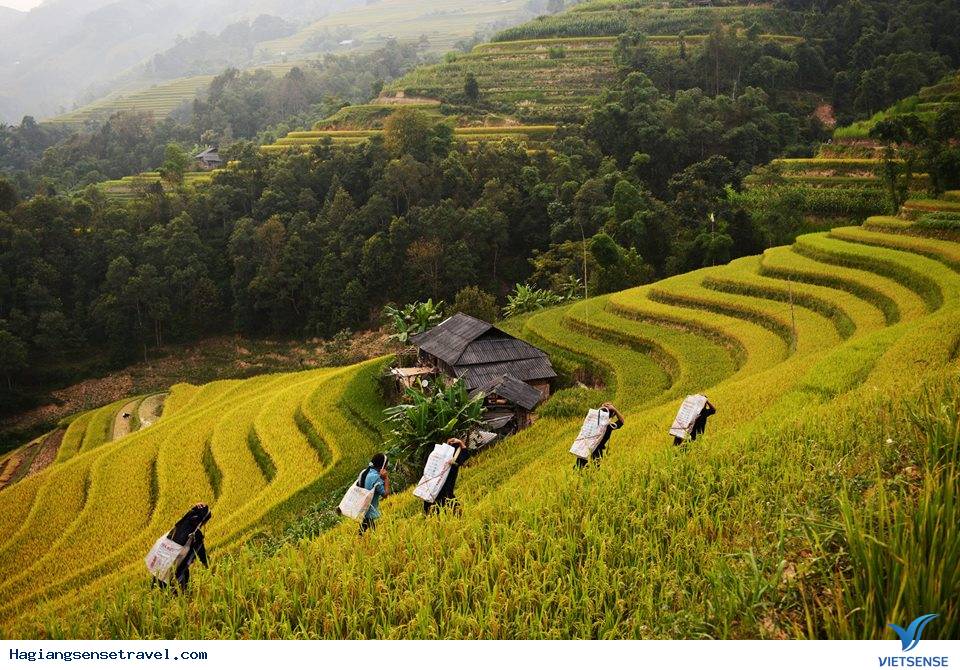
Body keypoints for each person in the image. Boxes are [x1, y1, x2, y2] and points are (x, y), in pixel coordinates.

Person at [155, 503, 211, 593]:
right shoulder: (196, 535)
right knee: (181, 595)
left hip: (160, 567)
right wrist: (211, 570)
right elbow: (203, 557)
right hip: (178, 573)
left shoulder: (179, 526)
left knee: (158, 592)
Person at [423, 438, 471, 516]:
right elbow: (465, 455)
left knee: (443, 500)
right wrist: (461, 443)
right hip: (441, 485)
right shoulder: (447, 458)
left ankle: (434, 517)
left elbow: (465, 455)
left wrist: (459, 443)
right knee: (444, 500)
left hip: (440, 485)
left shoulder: (453, 458)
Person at [576, 402, 624, 469]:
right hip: (597, 453)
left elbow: (593, 416)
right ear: (612, 415)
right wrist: (614, 409)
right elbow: (622, 421)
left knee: (579, 471)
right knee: (595, 472)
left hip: (584, 450)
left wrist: (601, 409)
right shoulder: (609, 427)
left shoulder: (590, 424)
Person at [359, 453, 391, 535]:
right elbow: (385, 494)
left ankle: (360, 538)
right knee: (369, 526)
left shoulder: (364, 472)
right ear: (382, 466)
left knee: (366, 525)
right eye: (386, 464)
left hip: (362, 505)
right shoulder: (375, 477)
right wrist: (386, 478)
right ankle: (366, 539)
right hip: (369, 508)